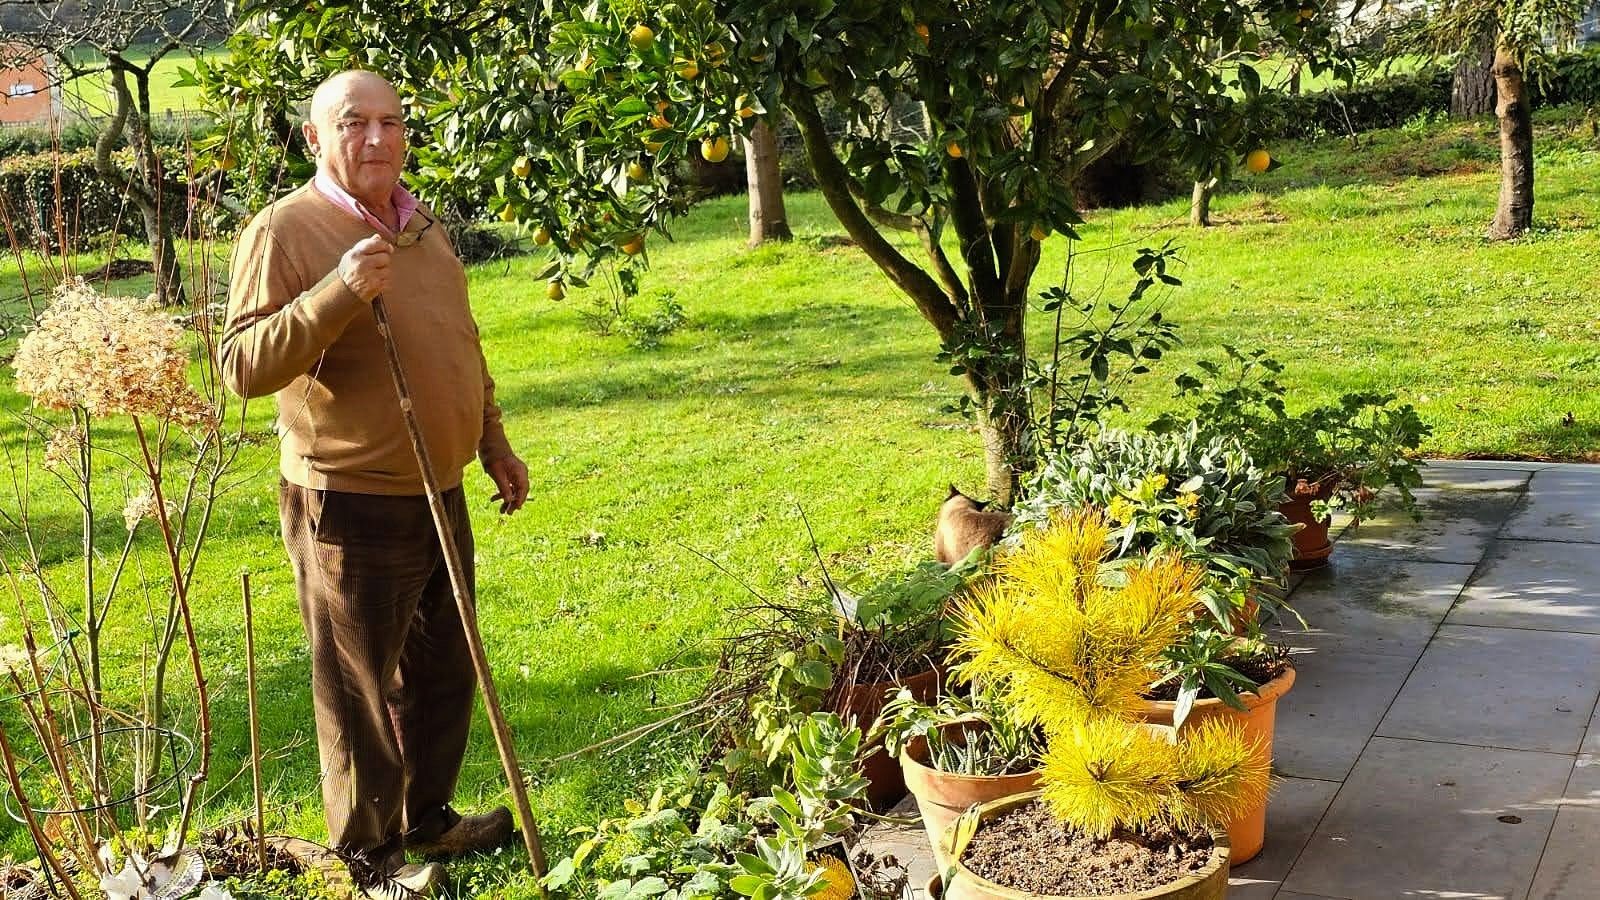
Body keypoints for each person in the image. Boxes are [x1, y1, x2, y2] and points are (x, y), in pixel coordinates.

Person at [220, 70, 531, 899]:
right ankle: (369, 862)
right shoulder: (285, 230)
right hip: (350, 500)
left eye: (391, 122)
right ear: (315, 139)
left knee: (442, 669)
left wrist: (490, 439)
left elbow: (459, 340)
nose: (377, 140)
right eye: (353, 123)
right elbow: (241, 366)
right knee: (361, 689)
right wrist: (337, 293)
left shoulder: (421, 225)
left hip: (441, 487)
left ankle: (426, 818)